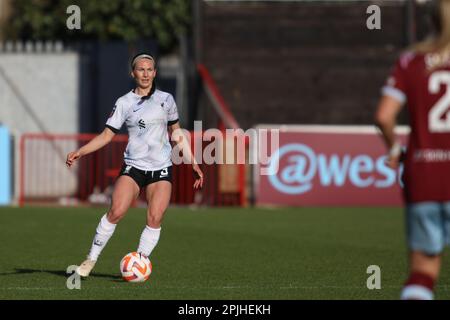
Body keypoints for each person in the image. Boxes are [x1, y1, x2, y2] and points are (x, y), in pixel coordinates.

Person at [66, 52, 204, 277]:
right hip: (133, 167)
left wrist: (193, 163)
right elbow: (106, 135)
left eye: (150, 69)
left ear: (155, 73)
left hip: (160, 168)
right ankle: (90, 260)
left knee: (155, 217)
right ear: (133, 73)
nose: (146, 73)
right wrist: (80, 151)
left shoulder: (166, 99)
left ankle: (139, 262)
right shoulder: (124, 102)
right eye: (141, 69)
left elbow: (176, 132)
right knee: (116, 211)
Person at [375, 0, 450, 300]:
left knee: (423, 271)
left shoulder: (411, 61)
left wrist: (395, 148)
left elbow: (383, 116)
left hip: (425, 177)